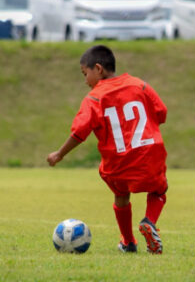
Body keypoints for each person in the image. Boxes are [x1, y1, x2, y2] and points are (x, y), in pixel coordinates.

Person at [47, 45, 168, 254]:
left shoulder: (94, 98)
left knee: (121, 196)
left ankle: (128, 242)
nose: (85, 81)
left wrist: (59, 153)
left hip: (117, 161)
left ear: (98, 68)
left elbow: (79, 132)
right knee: (158, 190)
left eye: (85, 74)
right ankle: (149, 221)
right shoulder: (140, 85)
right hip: (148, 153)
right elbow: (162, 112)